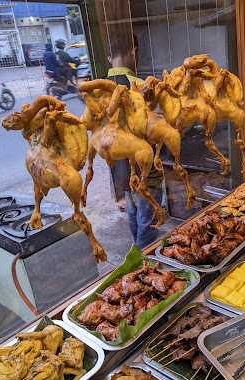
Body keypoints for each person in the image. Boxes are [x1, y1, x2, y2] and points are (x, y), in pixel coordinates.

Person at [106, 33, 164, 248]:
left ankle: (137, 252)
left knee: (133, 210)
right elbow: (155, 128)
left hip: (119, 169)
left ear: (109, 57)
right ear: (133, 51)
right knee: (147, 214)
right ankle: (144, 257)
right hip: (142, 166)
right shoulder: (138, 86)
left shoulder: (101, 87)